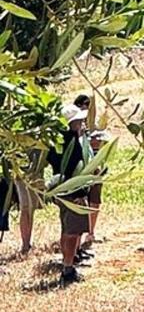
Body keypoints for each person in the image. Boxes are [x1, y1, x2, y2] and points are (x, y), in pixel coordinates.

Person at [48, 104, 94, 285]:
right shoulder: (72, 143)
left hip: (61, 189)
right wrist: (80, 192)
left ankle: (68, 264)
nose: (82, 123)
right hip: (73, 192)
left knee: (67, 228)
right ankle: (68, 268)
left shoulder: (57, 142)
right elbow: (76, 168)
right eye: (79, 120)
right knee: (72, 232)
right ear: (71, 123)